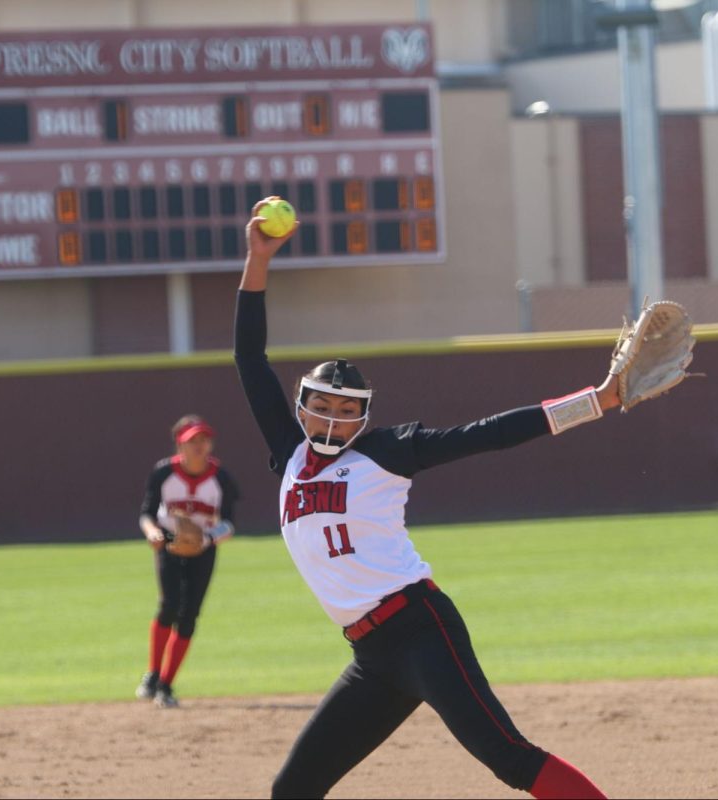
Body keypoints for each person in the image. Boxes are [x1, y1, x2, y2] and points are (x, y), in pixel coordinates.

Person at [235, 198, 623, 798]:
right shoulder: (287, 455)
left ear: (363, 417)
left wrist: (593, 402)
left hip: (420, 630)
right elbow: (248, 357)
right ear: (301, 403)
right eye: (324, 404)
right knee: (293, 790)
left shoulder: (386, 452)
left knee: (508, 757)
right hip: (370, 654)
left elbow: (486, 435)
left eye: (347, 409)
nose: (334, 418)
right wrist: (257, 260)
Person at [135, 415, 239, 709]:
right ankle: (153, 674)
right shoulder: (163, 473)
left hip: (204, 549)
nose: (200, 446)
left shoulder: (221, 478)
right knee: (168, 606)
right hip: (168, 545)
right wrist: (152, 532)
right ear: (180, 444)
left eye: (204, 440)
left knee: (189, 614)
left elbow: (229, 523)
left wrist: (205, 540)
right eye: (193, 440)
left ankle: (166, 685)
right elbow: (146, 513)